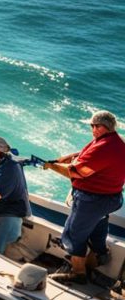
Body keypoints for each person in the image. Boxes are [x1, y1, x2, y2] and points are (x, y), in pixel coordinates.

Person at [43, 110, 125, 284]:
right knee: (97, 229)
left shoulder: (104, 147)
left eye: (94, 126)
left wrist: (51, 166)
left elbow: (77, 172)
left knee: (72, 236)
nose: (92, 129)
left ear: (102, 127)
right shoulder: (116, 142)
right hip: (111, 198)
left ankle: (78, 273)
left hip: (93, 200)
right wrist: (61, 159)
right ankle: (98, 259)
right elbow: (84, 155)